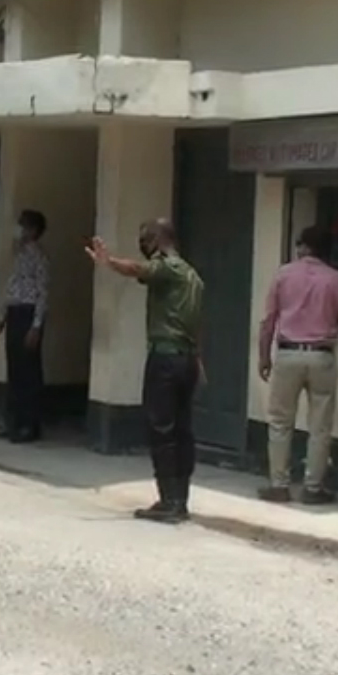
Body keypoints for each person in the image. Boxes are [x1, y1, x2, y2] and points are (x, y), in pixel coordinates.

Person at [86, 220, 204, 524]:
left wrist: (108, 262)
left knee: (162, 428)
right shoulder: (192, 275)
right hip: (186, 358)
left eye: (144, 238)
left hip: (165, 358)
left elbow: (139, 270)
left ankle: (169, 501)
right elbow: (192, 323)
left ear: (157, 239)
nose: (142, 243)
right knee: (182, 429)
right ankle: (180, 498)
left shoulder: (168, 267)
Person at [257, 224, 338, 505]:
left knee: (280, 422)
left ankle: (279, 485)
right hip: (322, 355)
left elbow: (268, 320)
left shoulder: (283, 275)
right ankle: (313, 488)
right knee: (320, 426)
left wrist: (263, 356)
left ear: (303, 246)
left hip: (289, 353)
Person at [0, 208, 50, 443]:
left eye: (23, 225)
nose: (19, 230)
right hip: (15, 312)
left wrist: (36, 326)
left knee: (29, 372)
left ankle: (30, 424)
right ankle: (14, 421)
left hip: (29, 314)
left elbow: (43, 293)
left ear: (34, 230)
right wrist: (1, 320)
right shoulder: (19, 255)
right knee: (14, 370)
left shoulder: (39, 257)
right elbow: (11, 290)